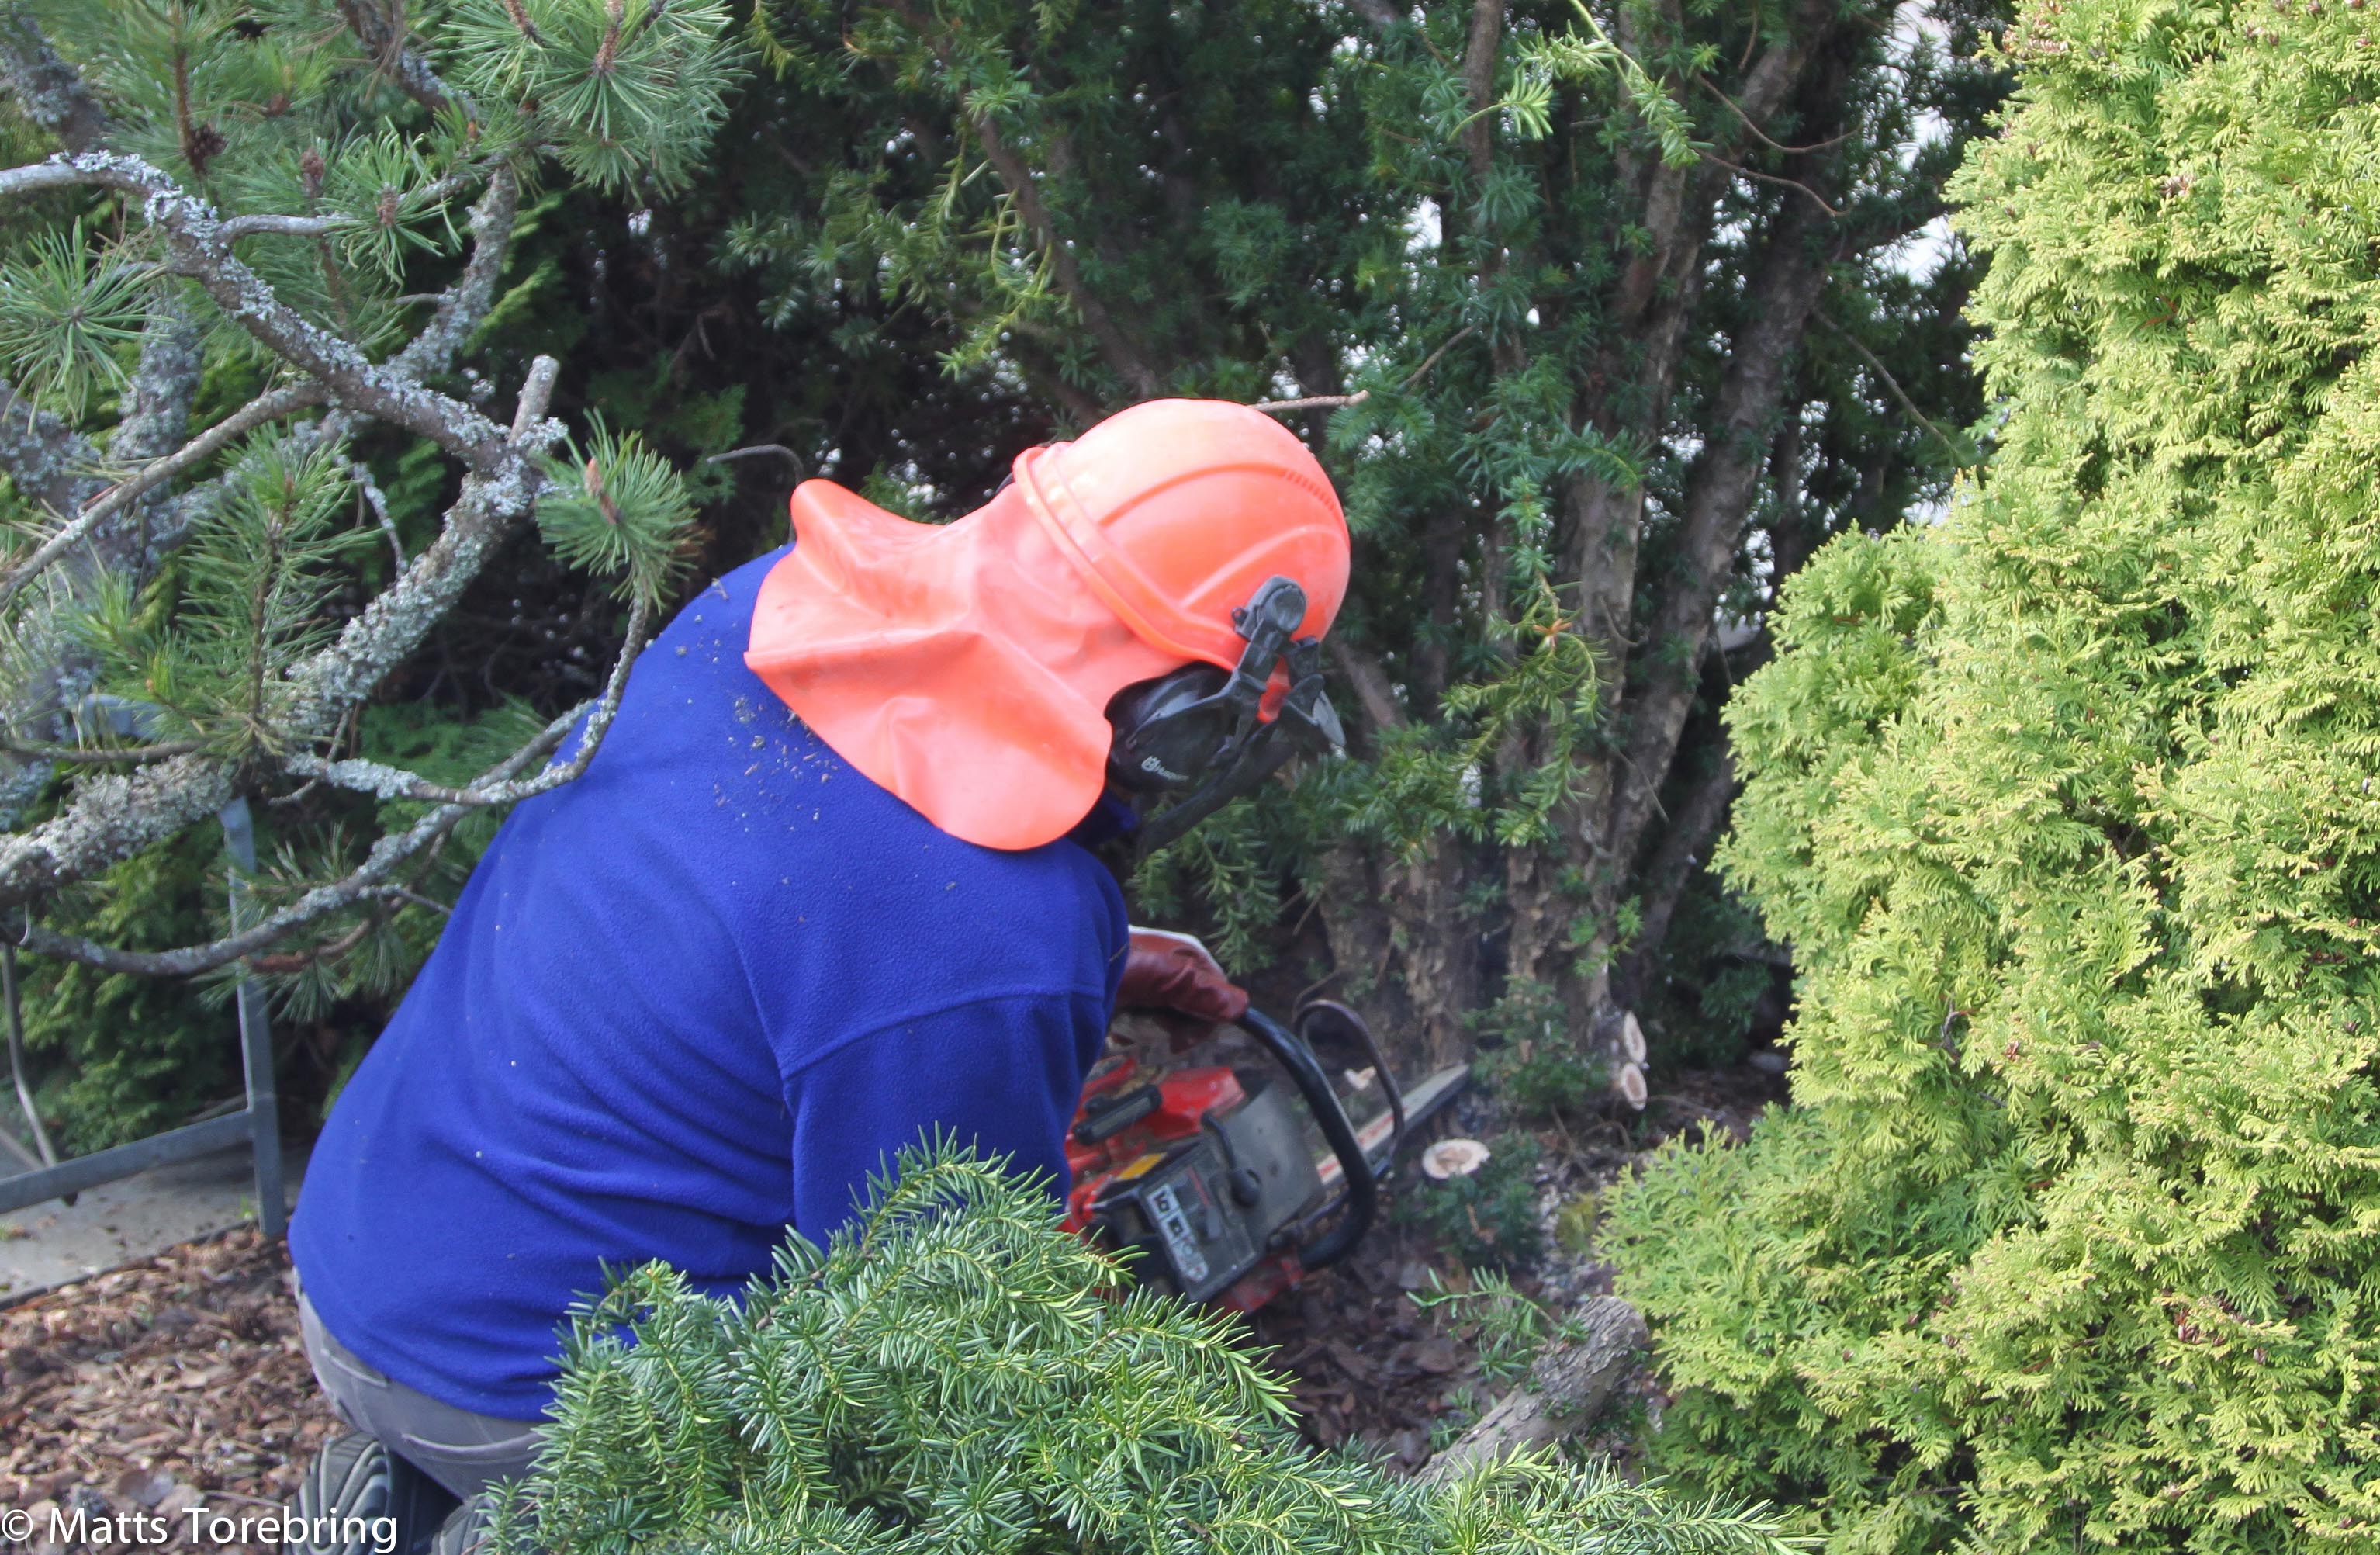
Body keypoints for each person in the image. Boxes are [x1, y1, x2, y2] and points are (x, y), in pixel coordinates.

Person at [282, 398, 1351, 1545]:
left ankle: (415, 1494)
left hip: (361, 1249)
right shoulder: (994, 939)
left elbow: (786, 902)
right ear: (1183, 716)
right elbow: (941, 1356)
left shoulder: (768, 610)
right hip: (521, 1386)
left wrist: (1081, 967)